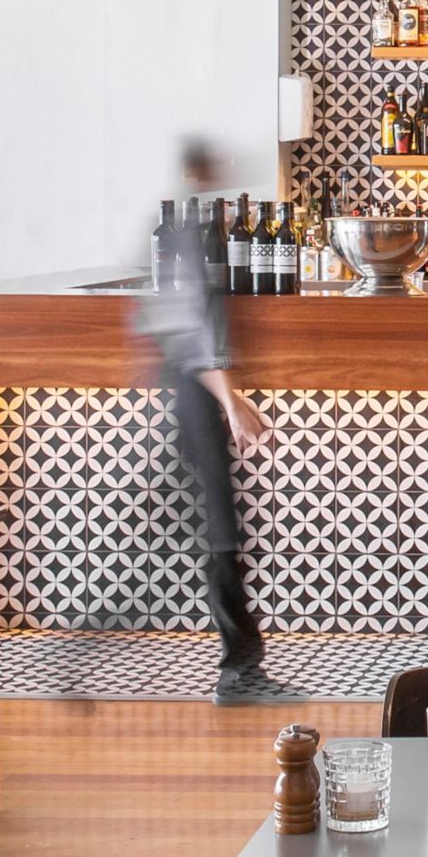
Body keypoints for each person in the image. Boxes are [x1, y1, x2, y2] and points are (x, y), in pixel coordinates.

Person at [138, 137, 273, 701]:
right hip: (191, 389)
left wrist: (229, 397)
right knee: (219, 523)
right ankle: (237, 663)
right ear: (201, 173)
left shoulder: (184, 233)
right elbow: (195, 330)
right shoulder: (186, 236)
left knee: (216, 521)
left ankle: (240, 655)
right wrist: (231, 400)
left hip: (187, 386)